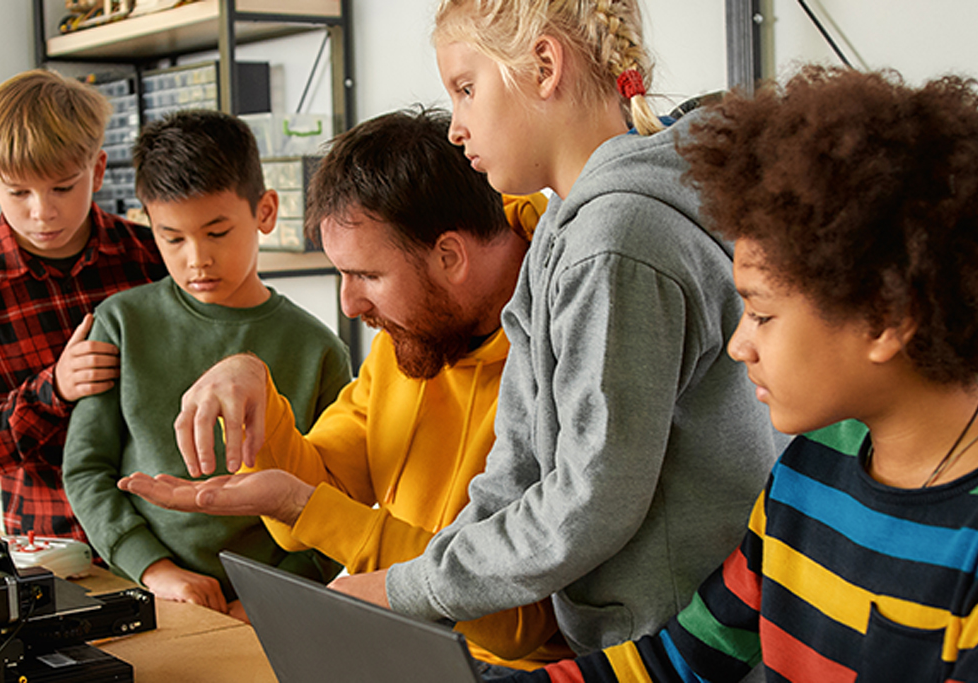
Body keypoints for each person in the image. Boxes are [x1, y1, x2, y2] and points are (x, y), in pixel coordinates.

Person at [504, 67, 978, 683]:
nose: (739, 344)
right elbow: (678, 663)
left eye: (762, 313)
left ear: (886, 317)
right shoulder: (809, 473)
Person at [317, 0, 784, 655]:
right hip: (617, 640)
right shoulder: (561, 229)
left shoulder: (617, 242)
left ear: (543, 66)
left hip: (682, 649)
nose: (455, 128)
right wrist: (410, 589)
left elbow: (591, 500)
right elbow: (514, 472)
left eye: (466, 89)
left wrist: (410, 590)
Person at [117, 108, 573, 669]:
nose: (350, 306)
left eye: (368, 276)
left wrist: (306, 507)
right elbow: (326, 481)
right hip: (400, 648)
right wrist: (255, 389)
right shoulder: (416, 337)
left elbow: (513, 624)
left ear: (450, 256)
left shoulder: (561, 347)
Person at [61, 110, 351, 616]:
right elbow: (86, 469)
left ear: (264, 211)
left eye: (217, 233)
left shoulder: (318, 349)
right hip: (147, 590)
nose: (197, 258)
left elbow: (335, 502)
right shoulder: (121, 323)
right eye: (172, 238)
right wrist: (153, 569)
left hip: (267, 607)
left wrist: (271, 600)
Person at [0, 69, 168, 541]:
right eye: (18, 192)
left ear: (96, 170)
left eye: (62, 187)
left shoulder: (152, 256)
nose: (42, 211)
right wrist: (53, 390)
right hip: (53, 549)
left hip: (166, 535)